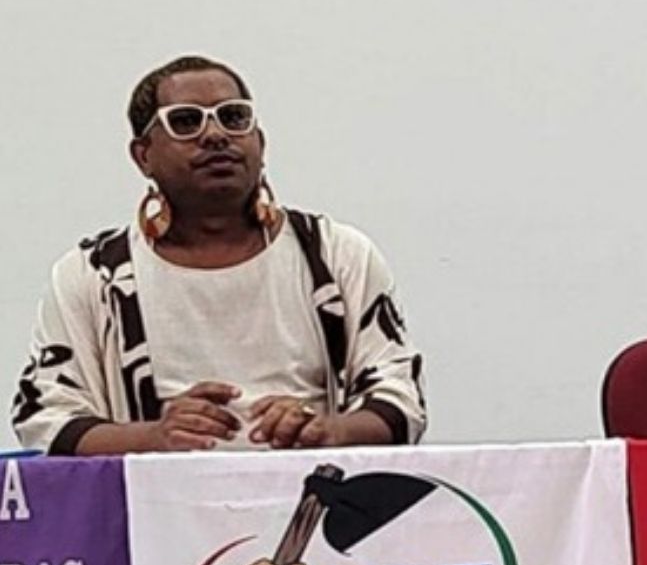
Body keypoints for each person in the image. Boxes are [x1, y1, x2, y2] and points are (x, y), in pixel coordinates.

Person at [11, 55, 426, 455]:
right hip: (154, 501)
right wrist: (154, 437)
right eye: (185, 122)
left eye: (234, 117)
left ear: (260, 143)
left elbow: (401, 399)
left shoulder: (336, 255)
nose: (215, 135)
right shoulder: (92, 275)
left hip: (313, 493)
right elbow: (43, 418)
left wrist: (327, 430)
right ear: (143, 156)